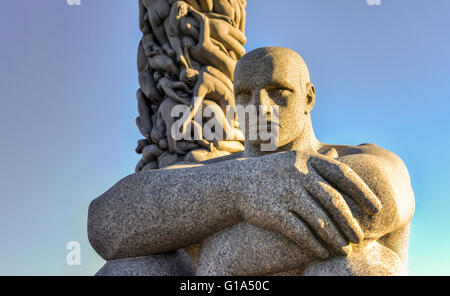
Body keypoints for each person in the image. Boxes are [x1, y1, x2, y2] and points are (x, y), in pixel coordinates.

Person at [88, 47, 414, 276]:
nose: (260, 107)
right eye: (244, 94)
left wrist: (216, 254)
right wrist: (240, 189)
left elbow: (384, 193)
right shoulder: (218, 172)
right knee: (134, 268)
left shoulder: (358, 158)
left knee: (351, 264)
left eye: (278, 91)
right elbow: (106, 223)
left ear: (309, 97)